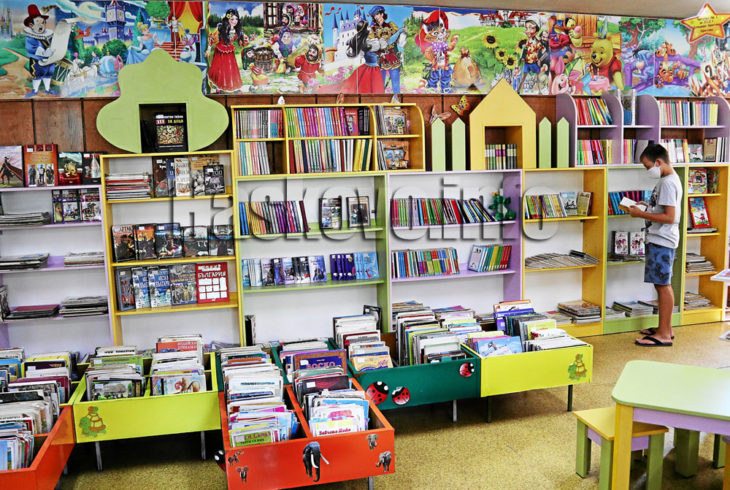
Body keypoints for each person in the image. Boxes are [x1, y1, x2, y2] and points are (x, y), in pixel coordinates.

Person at [628, 143, 682, 347]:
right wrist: (648, 207)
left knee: (662, 285)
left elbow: (670, 217)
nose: (647, 170)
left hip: (662, 239)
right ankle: (664, 328)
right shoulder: (668, 180)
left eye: (647, 166)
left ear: (658, 162)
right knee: (661, 284)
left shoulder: (667, 183)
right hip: (660, 238)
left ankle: (664, 334)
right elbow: (664, 210)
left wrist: (641, 214)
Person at [205, 9, 245, 92]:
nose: (234, 21)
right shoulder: (221, 29)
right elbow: (212, 38)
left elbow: (242, 40)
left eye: (236, 19)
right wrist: (208, 49)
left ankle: (231, 85)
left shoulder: (236, 30)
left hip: (230, 51)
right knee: (221, 69)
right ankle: (219, 87)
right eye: (232, 19)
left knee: (230, 68)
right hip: (220, 51)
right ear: (228, 19)